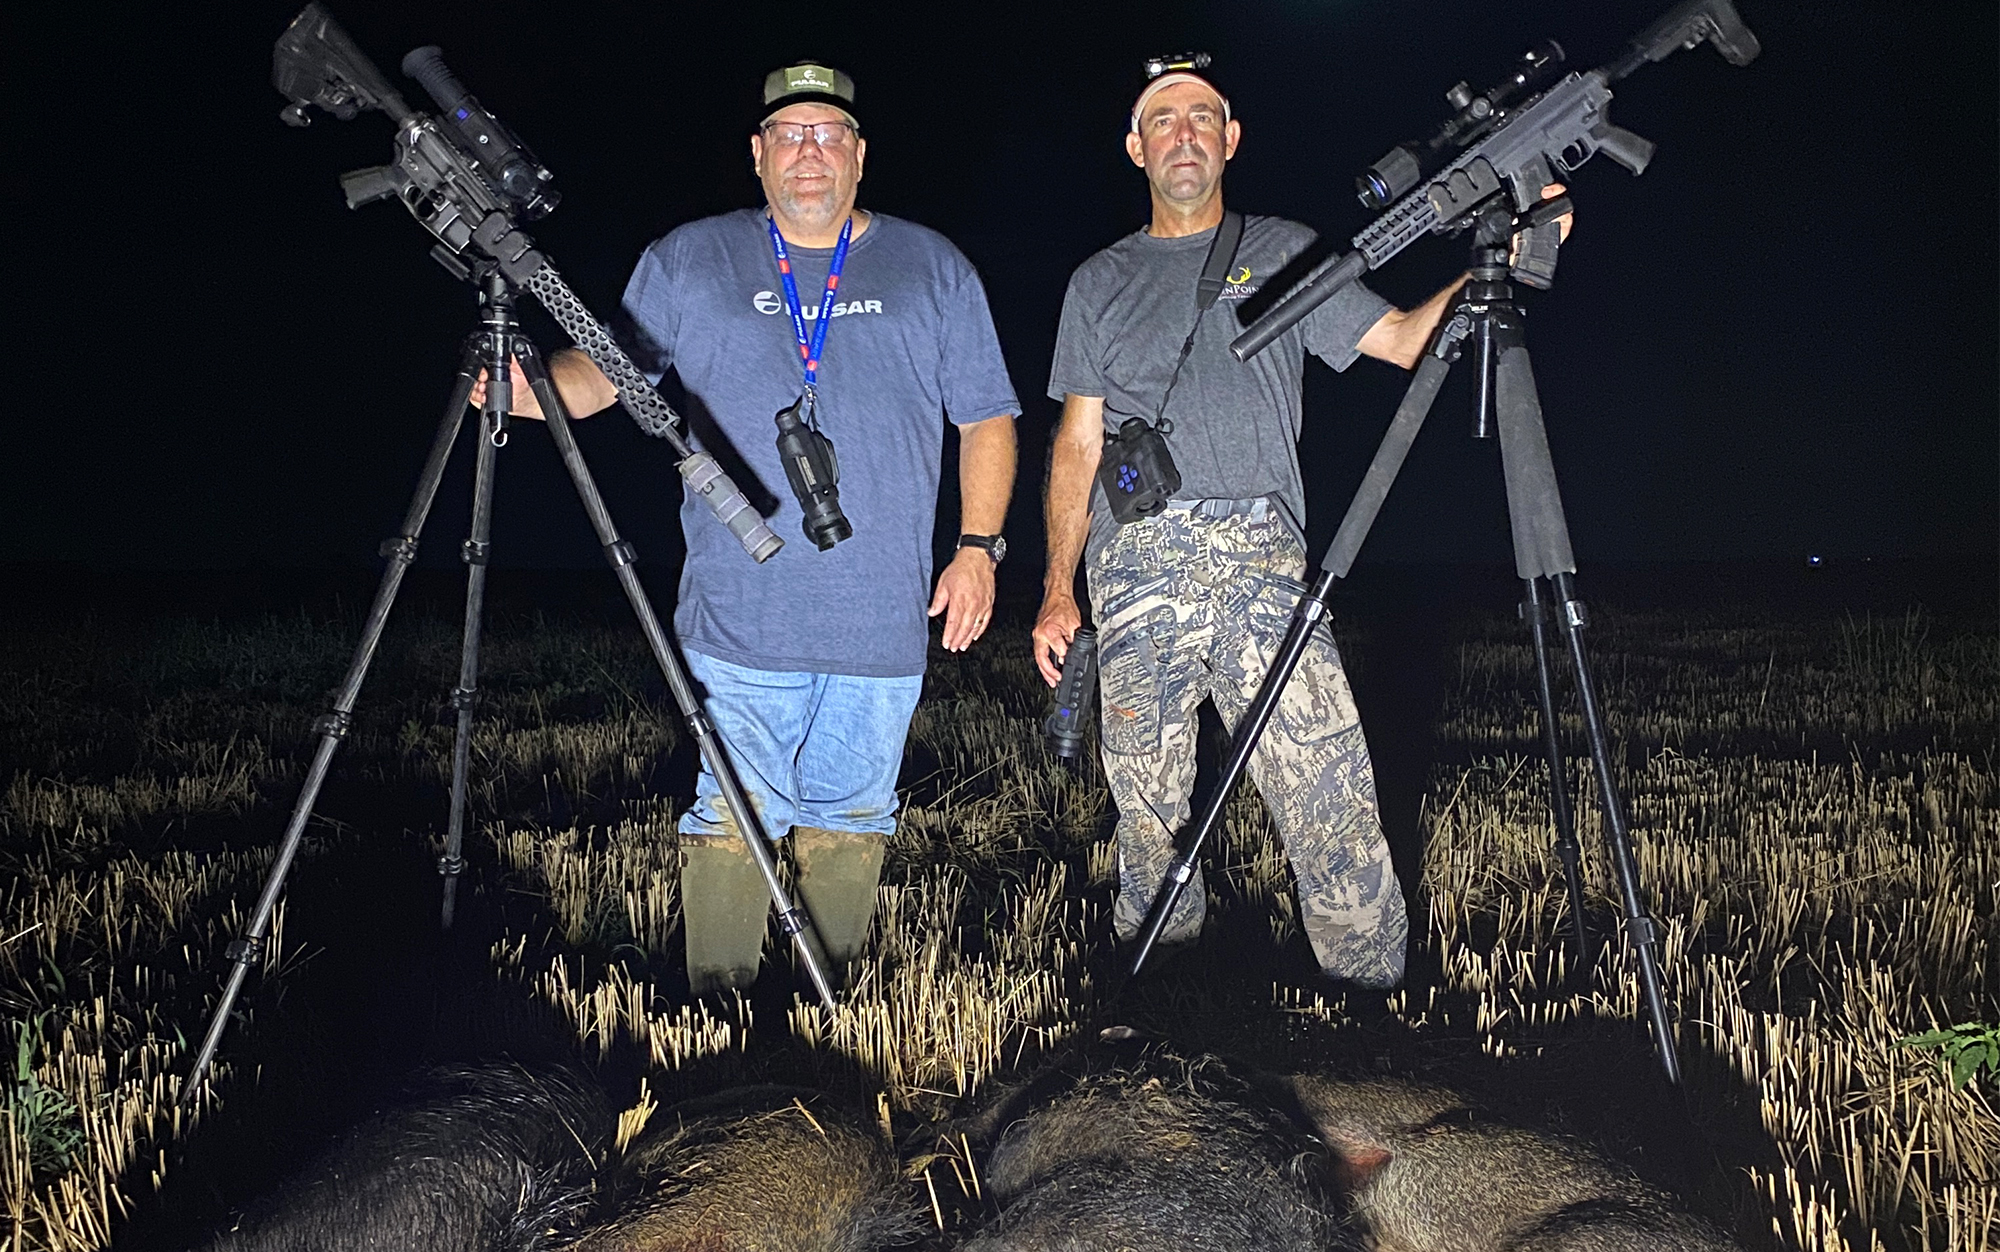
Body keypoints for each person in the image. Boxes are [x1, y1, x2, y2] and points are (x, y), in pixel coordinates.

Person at [486, 63, 1019, 994]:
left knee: (854, 814)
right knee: (732, 811)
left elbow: (987, 418)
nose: (809, 150)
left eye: (829, 133)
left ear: (859, 156)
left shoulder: (933, 266)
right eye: (789, 133)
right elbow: (608, 373)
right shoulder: (691, 257)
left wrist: (978, 549)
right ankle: (721, 1008)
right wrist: (521, 388)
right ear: (758, 153)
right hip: (739, 609)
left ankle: (824, 1005)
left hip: (880, 615)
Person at [1032, 64, 1552, 991]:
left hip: (1264, 558)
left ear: (1230, 139)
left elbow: (1402, 341)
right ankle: (1162, 991)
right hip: (1135, 560)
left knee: (1327, 787)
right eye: (1162, 119)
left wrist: (1501, 254)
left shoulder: (1285, 252)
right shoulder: (1097, 281)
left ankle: (1370, 993)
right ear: (1135, 147)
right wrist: (1055, 588)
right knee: (1146, 804)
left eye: (1202, 116)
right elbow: (1076, 443)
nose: (1183, 133)